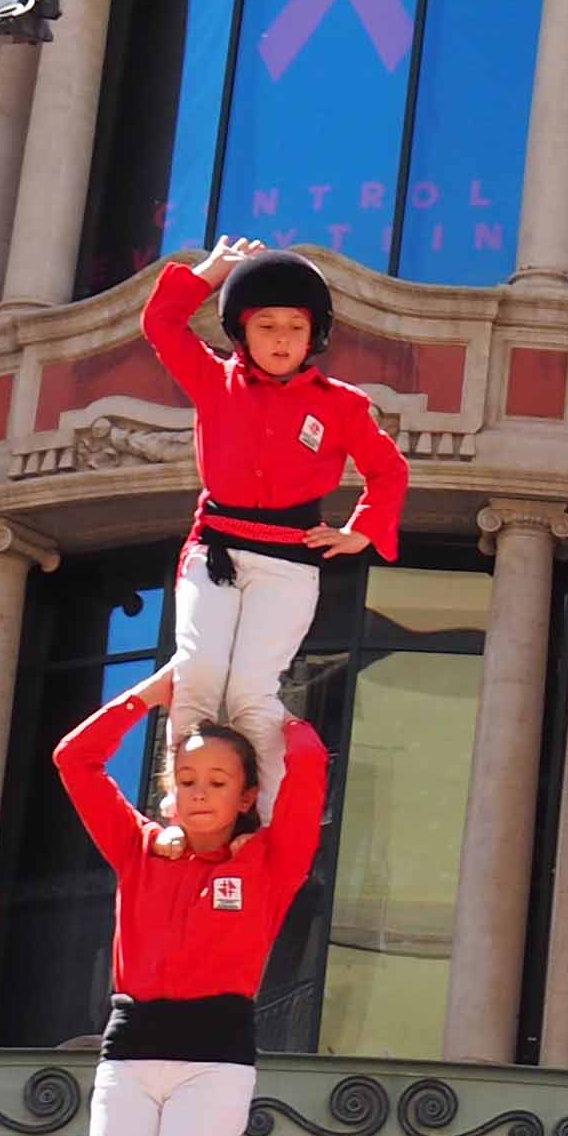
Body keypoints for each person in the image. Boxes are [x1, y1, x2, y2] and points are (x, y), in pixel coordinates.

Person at [51, 655, 330, 1136]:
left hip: (214, 1063)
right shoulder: (137, 847)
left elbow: (312, 766)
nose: (199, 791)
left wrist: (277, 714)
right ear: (170, 790)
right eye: (186, 779)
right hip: (130, 1054)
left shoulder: (272, 862)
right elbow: (75, 760)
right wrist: (146, 697)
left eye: (218, 780)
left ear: (247, 797)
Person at [139, 236, 407, 819]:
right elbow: (161, 323)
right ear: (240, 333)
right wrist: (210, 272)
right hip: (215, 550)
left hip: (289, 560)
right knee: (199, 673)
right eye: (266, 326)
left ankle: (264, 825)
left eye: (294, 326)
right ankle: (181, 809)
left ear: (315, 336)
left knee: (251, 693)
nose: (282, 339)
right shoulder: (214, 380)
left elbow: (387, 469)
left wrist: (362, 528)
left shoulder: (342, 405)